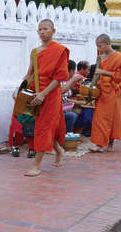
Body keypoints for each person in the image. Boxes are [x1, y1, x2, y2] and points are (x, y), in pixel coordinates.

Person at [24, 19, 69, 177]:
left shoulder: (60, 50)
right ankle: (59, 150)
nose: (42, 32)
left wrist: (44, 94)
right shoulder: (35, 51)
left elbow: (59, 77)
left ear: (53, 31)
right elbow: (29, 74)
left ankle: (36, 164)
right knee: (44, 127)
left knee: (43, 128)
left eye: (45, 29)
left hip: (50, 94)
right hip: (35, 93)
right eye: (40, 29)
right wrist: (21, 90)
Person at [90, 34, 121, 153]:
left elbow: (119, 77)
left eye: (100, 46)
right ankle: (100, 144)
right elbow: (96, 74)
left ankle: (109, 144)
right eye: (97, 46)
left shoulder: (120, 58)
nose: (98, 49)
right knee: (99, 118)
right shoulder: (100, 57)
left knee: (113, 119)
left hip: (113, 91)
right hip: (102, 91)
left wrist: (103, 71)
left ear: (108, 43)